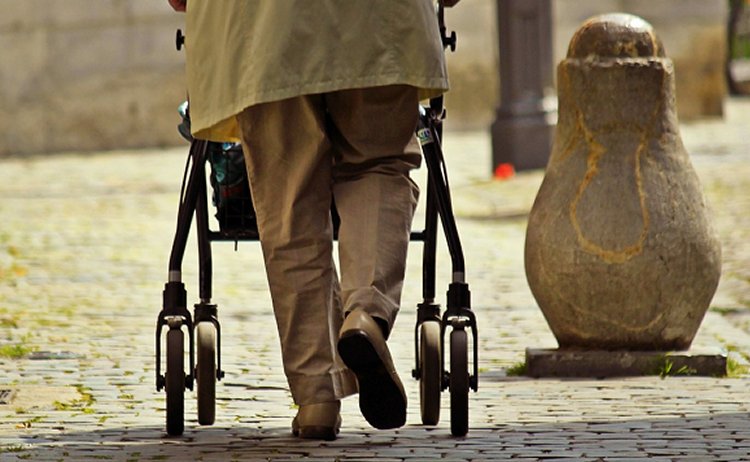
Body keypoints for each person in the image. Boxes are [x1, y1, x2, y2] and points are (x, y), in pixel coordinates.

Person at [167, 0, 458, 440]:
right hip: (378, 18)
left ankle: (317, 396)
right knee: (377, 164)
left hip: (260, 28)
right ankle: (365, 314)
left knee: (290, 196)